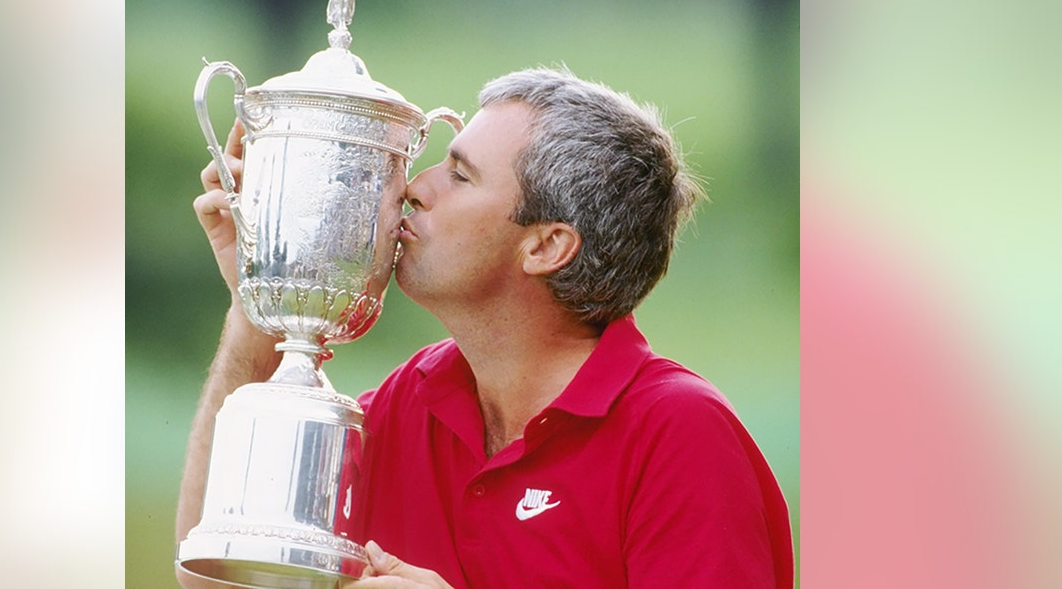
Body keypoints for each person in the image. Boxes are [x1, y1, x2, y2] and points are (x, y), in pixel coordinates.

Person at [177, 67, 794, 588]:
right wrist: (258, 309)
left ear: (547, 245)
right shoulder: (411, 400)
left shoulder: (680, 435)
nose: (415, 188)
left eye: (459, 174)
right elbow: (215, 567)